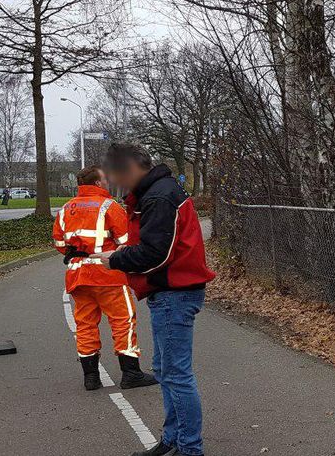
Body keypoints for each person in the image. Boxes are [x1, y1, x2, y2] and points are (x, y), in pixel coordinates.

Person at [95, 143, 215, 456]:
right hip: (169, 292)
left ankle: (190, 449)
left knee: (176, 374)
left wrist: (117, 259)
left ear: (133, 167)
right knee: (166, 371)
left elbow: (155, 254)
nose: (117, 181)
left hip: (174, 293)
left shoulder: (159, 196)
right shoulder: (155, 193)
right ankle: (173, 441)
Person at [53, 166, 158, 391]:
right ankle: (131, 373)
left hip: (78, 276)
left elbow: (60, 244)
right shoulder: (110, 206)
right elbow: (126, 242)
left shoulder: (66, 209)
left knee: (85, 325)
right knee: (123, 321)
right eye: (105, 180)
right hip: (108, 275)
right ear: (98, 184)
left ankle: (91, 377)